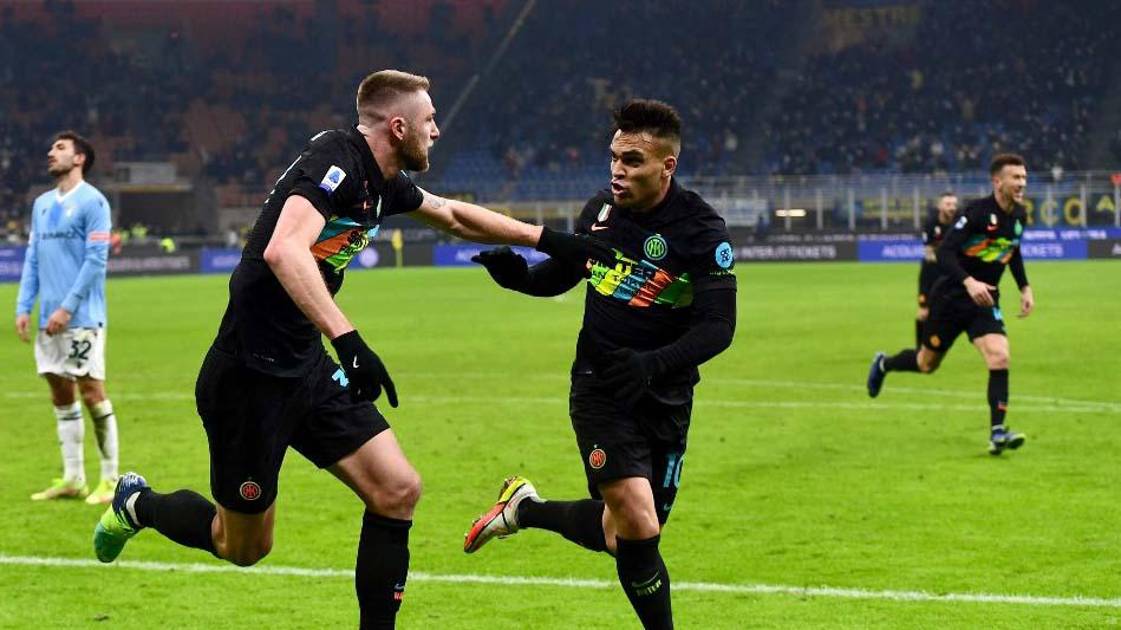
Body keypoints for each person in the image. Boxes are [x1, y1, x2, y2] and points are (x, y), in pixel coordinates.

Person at [91, 70, 606, 629]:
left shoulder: (384, 181)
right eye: (430, 120)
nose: (437, 131)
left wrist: (549, 240)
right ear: (398, 126)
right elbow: (284, 251)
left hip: (305, 365)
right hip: (249, 378)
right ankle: (137, 504)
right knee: (241, 546)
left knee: (397, 490)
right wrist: (349, 341)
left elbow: (453, 215)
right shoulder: (335, 158)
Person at [465, 100, 737, 630]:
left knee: (626, 534)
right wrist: (519, 278)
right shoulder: (600, 211)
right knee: (638, 523)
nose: (617, 170)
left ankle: (524, 509)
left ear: (667, 166)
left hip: (665, 393)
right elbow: (563, 275)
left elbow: (718, 326)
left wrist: (653, 364)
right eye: (614, 157)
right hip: (600, 387)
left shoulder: (700, 229)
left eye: (632, 161)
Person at [867, 154, 1035, 455]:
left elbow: (1013, 250)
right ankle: (884, 364)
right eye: (1016, 177)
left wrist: (1024, 287)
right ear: (998, 182)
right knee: (926, 364)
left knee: (999, 357)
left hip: (984, 301)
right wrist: (969, 282)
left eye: (1024, 177)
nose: (1022, 183)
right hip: (951, 299)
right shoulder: (977, 213)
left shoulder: (1020, 216)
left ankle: (997, 432)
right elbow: (944, 252)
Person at [15, 130, 121, 505]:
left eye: (59, 148)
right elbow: (32, 259)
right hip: (48, 319)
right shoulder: (41, 204)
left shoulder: (94, 202)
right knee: (60, 393)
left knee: (92, 391)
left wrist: (67, 307)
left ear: (79, 159)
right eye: (51, 146)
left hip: (82, 318)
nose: (51, 152)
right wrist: (24, 306)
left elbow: (96, 261)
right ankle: (74, 478)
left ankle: (111, 480)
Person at [915, 191, 959, 347]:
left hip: (952, 275)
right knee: (923, 314)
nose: (952, 207)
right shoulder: (931, 223)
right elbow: (928, 254)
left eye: (954, 204)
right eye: (948, 204)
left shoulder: (960, 223)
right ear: (940, 206)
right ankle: (919, 349)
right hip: (932, 275)